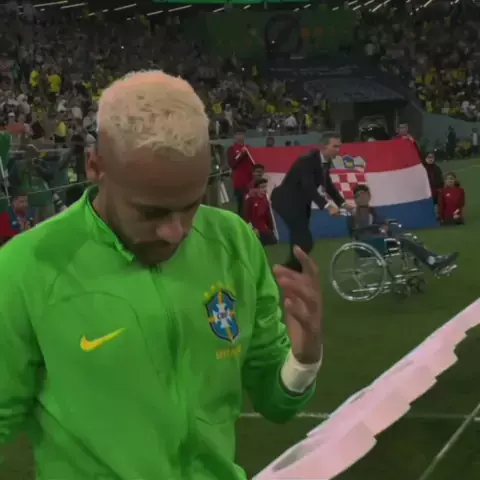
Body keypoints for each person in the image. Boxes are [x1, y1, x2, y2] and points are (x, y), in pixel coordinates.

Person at [0, 71, 324, 480]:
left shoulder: (234, 242)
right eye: (151, 212)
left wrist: (304, 359)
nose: (177, 231)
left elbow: (276, 402)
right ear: (95, 166)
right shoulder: (25, 268)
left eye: (192, 205)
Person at [271, 132, 353, 272]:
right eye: (335, 146)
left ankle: (291, 270)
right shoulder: (307, 161)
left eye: (339, 146)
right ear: (324, 146)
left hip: (300, 204)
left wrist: (342, 203)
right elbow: (308, 186)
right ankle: (287, 269)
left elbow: (327, 184)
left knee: (301, 242)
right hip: (286, 202)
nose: (338, 150)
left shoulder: (325, 162)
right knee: (304, 241)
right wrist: (328, 206)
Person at [350, 185, 458, 274]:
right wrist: (380, 228)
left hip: (381, 237)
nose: (365, 197)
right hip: (372, 242)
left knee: (404, 234)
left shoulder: (370, 210)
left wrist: (385, 224)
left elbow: (381, 221)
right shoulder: (358, 213)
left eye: (366, 194)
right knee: (404, 240)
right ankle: (433, 260)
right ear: (356, 198)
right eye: (361, 195)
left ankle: (434, 259)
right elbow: (362, 230)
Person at [244, 178, 277, 246]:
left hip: (263, 228)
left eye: (265, 187)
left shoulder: (265, 199)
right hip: (255, 228)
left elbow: (268, 216)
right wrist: (251, 227)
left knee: (273, 241)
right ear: (256, 189)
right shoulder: (251, 200)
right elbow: (247, 215)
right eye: (262, 187)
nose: (265, 189)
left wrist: (271, 228)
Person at [227, 130, 253, 217]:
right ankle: (241, 221)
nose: (240, 136)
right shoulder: (232, 149)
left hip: (250, 182)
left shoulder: (249, 148)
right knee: (241, 205)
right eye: (238, 134)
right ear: (235, 136)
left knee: (251, 205)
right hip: (239, 182)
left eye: (241, 134)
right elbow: (232, 164)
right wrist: (241, 155)